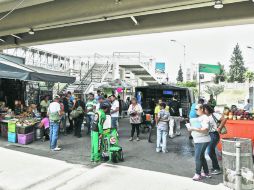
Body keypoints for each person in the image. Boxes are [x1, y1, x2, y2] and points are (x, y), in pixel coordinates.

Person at [187, 104, 211, 181]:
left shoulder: (205, 118)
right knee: (201, 156)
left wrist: (193, 128)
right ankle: (206, 172)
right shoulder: (200, 118)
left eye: (197, 109)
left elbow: (205, 130)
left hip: (202, 140)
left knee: (198, 157)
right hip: (199, 140)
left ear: (202, 109)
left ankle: (198, 174)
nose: (195, 111)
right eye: (195, 109)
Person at [203, 104, 226, 175]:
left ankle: (217, 168)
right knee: (211, 151)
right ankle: (215, 167)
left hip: (214, 135)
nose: (204, 111)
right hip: (208, 135)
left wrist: (219, 128)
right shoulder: (204, 116)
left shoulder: (214, 114)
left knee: (210, 151)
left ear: (208, 109)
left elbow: (224, 119)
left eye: (205, 109)